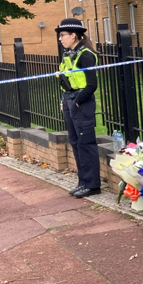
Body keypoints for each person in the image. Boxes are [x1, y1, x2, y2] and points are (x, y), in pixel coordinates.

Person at [55, 18, 101, 198]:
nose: (60, 39)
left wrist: (77, 101)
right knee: (75, 142)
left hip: (81, 102)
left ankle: (92, 185)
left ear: (74, 35)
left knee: (85, 143)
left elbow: (92, 85)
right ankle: (83, 181)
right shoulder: (69, 54)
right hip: (69, 99)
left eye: (63, 35)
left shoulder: (86, 55)